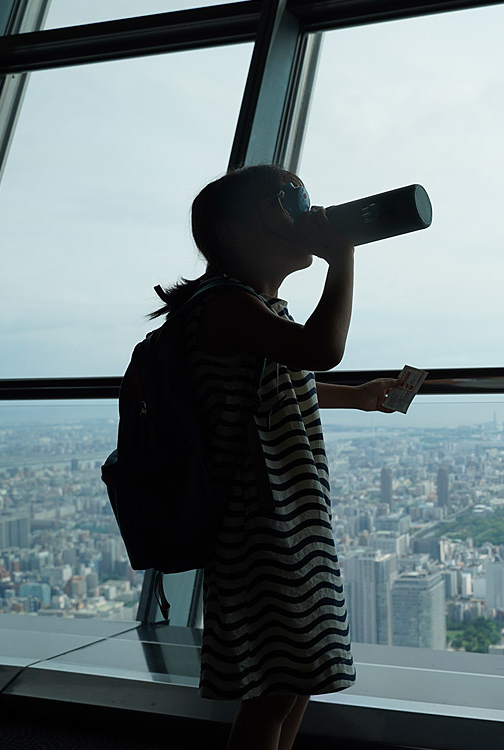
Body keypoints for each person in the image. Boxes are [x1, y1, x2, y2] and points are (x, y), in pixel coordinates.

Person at [151, 164, 398, 750]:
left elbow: (277, 385)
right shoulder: (223, 305)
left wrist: (357, 399)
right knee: (277, 683)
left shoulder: (253, 309)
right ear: (234, 235)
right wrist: (343, 258)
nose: (304, 211)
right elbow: (322, 350)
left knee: (296, 677)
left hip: (287, 513)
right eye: (286, 200)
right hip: (259, 519)